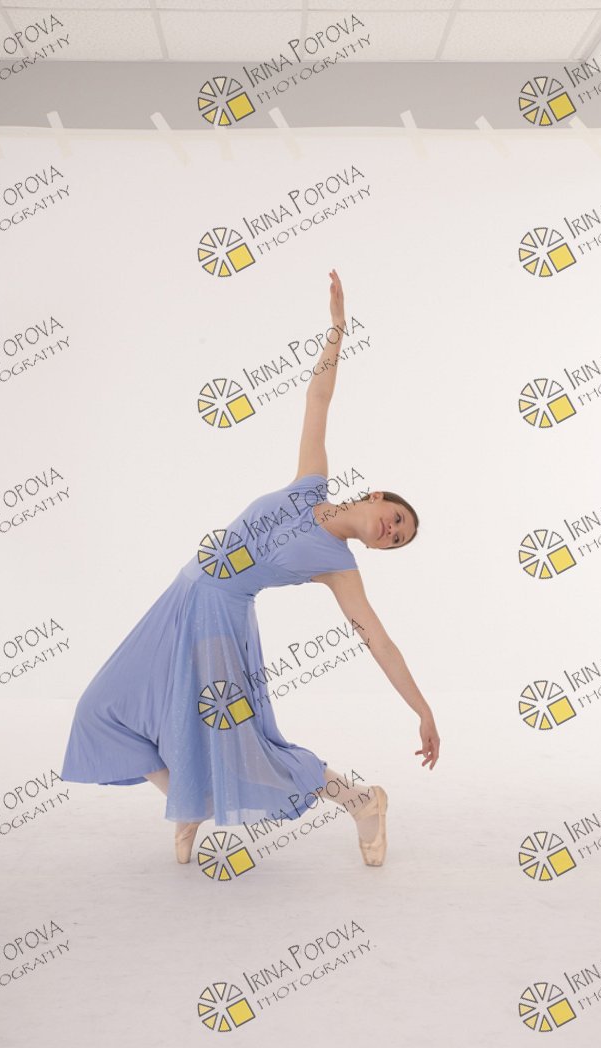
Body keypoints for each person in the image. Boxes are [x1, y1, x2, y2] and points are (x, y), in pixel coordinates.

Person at [60, 269, 440, 868]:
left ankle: (362, 801)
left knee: (245, 746)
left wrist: (422, 709)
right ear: (376, 497)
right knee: (100, 708)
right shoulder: (310, 483)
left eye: (396, 540)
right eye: (396, 519)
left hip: (220, 622)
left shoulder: (338, 567)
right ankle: (187, 801)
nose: (390, 531)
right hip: (179, 599)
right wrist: (337, 329)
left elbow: (380, 642)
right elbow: (318, 399)